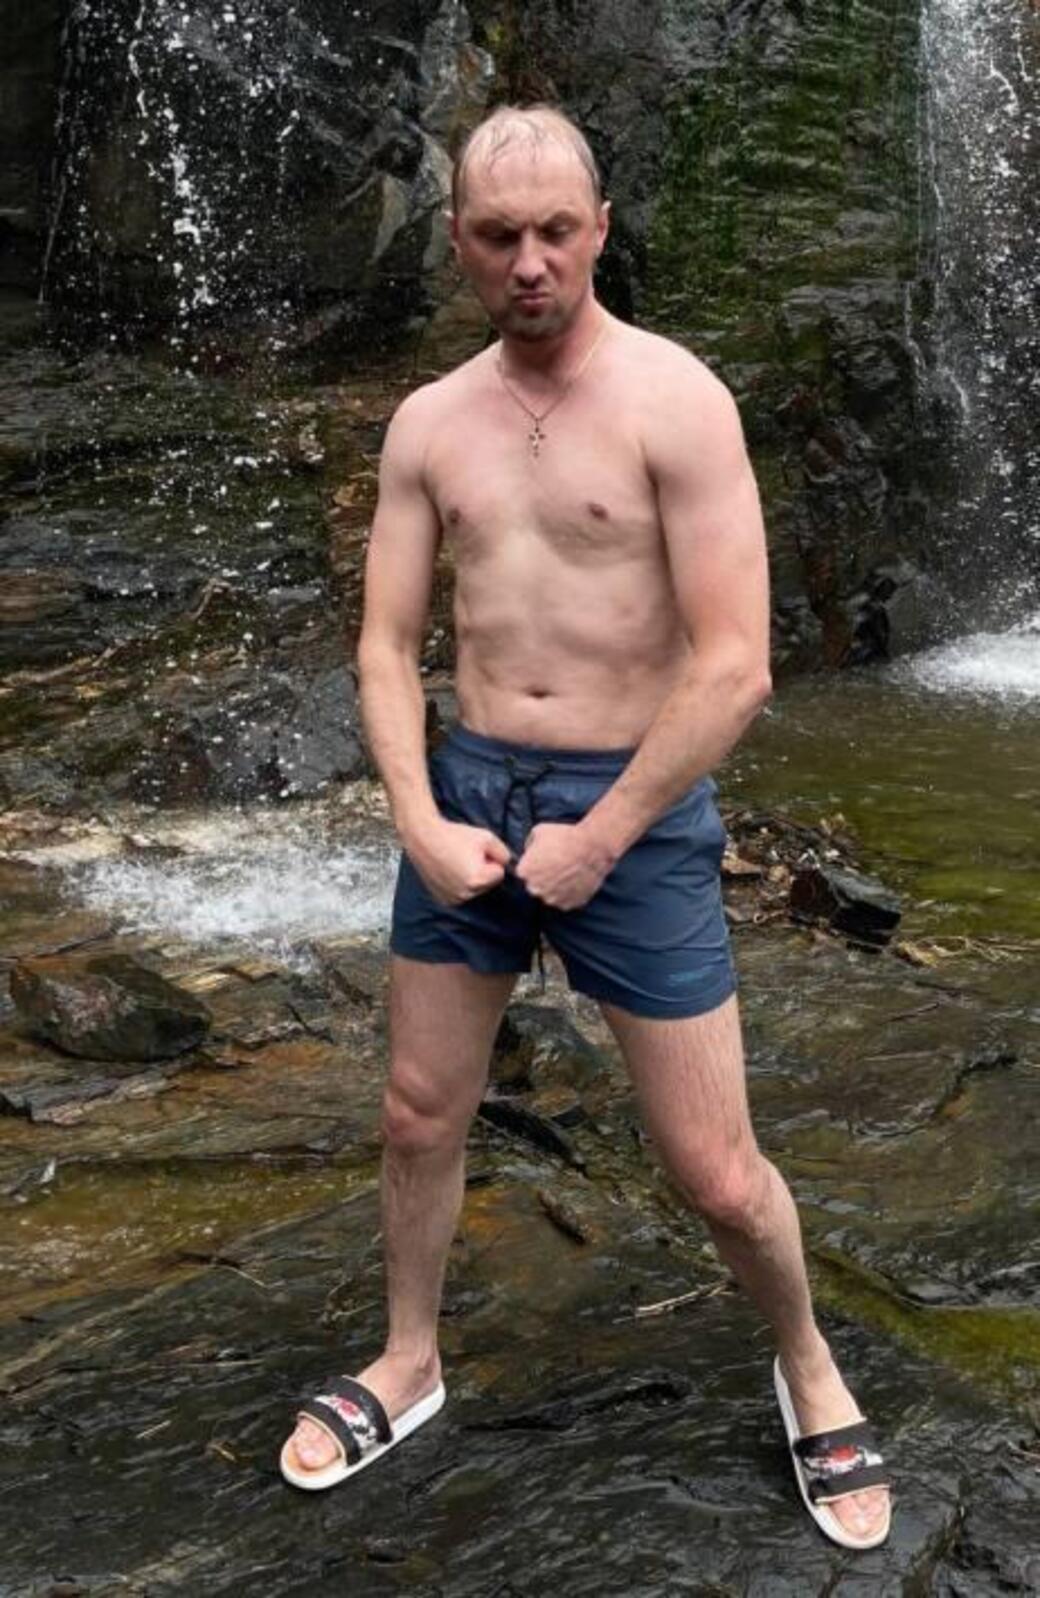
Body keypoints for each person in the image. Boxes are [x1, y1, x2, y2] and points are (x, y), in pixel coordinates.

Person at [279, 102, 890, 1549]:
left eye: (558, 231)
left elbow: (735, 666)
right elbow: (385, 648)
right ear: (458, 243)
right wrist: (419, 818)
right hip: (472, 795)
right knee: (418, 1110)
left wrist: (605, 833)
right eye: (500, 236)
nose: (532, 262)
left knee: (718, 1171)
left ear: (602, 230)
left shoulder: (678, 402)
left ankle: (809, 1362)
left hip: (638, 810)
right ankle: (410, 1357)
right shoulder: (430, 424)